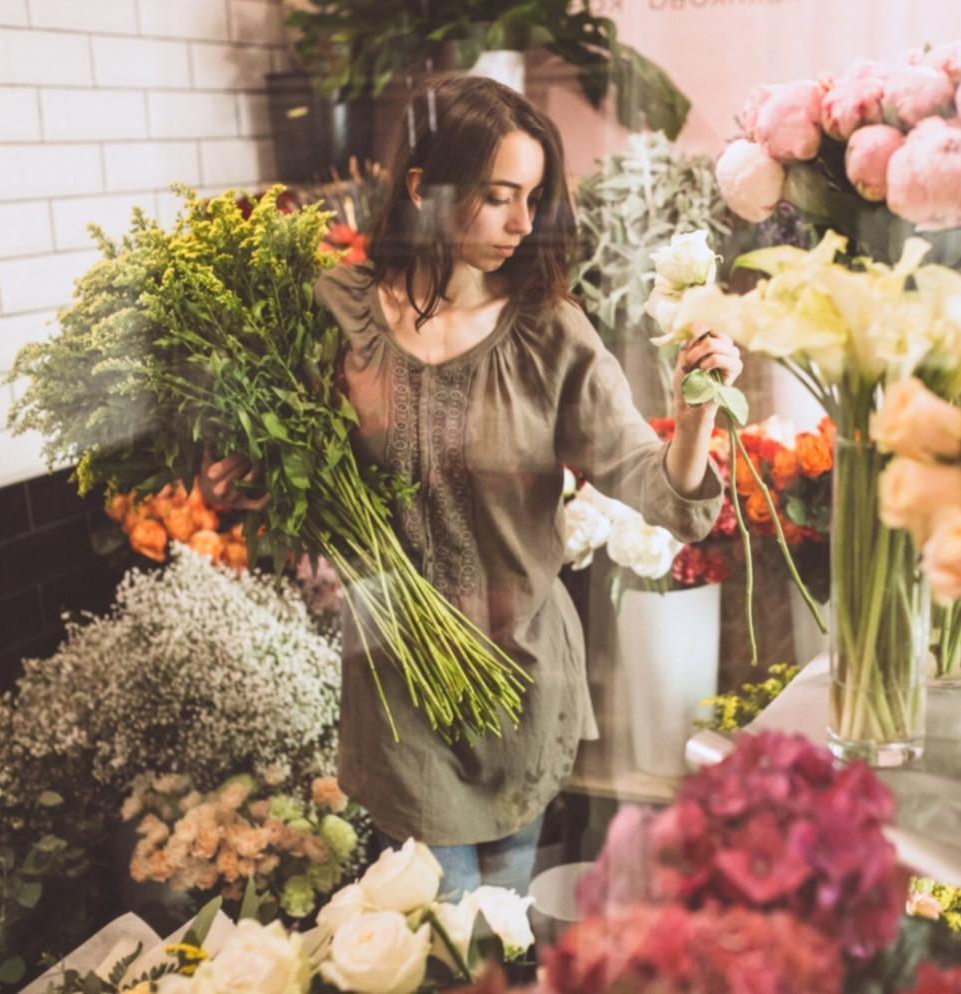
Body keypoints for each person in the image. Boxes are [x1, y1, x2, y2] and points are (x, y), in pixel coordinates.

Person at [202, 73, 741, 898]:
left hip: (520, 678)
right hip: (395, 686)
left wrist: (695, 410)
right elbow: (303, 469)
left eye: (533, 197)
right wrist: (243, 475)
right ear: (423, 190)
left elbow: (657, 487)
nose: (524, 223)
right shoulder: (335, 314)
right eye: (498, 197)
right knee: (438, 925)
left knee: (500, 930)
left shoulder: (548, 331)